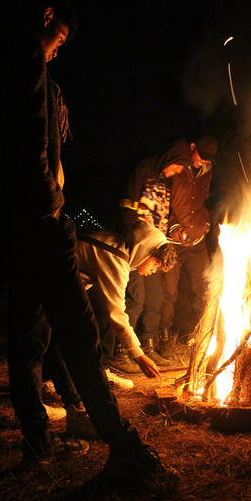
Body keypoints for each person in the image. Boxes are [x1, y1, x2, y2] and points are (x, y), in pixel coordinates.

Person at [0, 0, 177, 490]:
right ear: (47, 15)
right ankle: (120, 447)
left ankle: (38, 441)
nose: (57, 50)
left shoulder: (7, 53)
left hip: (16, 222)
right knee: (78, 330)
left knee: (28, 334)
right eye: (59, 40)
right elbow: (32, 139)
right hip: (38, 218)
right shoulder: (25, 50)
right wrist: (52, 206)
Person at [108, 141, 191, 373]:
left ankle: (148, 347)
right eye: (177, 167)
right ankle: (121, 353)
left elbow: (166, 214)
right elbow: (127, 209)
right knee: (135, 301)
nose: (177, 172)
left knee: (155, 299)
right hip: (135, 250)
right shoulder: (142, 171)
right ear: (169, 157)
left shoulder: (165, 182)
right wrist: (130, 243)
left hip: (156, 249)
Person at [77, 220, 177, 376]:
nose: (153, 270)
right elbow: (117, 313)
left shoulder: (120, 249)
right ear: (145, 250)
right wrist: (139, 355)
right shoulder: (116, 259)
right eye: (156, 264)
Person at [159, 136, 218, 359]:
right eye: (200, 157)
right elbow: (162, 199)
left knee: (203, 288)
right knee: (168, 293)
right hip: (172, 243)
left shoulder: (207, 171)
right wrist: (171, 223)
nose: (201, 162)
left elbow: (202, 201)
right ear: (193, 147)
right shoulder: (177, 166)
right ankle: (163, 339)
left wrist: (206, 223)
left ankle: (203, 335)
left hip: (197, 241)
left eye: (207, 160)